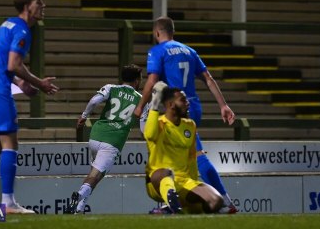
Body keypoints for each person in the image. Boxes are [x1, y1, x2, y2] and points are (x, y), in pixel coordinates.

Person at [134, 16, 237, 213]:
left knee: (195, 155)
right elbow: (208, 78)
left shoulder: (158, 51)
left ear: (157, 33)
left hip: (176, 108)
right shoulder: (189, 50)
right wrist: (223, 105)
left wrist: (140, 106)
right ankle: (171, 201)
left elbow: (152, 80)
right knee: (173, 153)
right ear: (173, 32)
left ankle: (225, 200)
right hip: (192, 105)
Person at [0, 0, 59, 214]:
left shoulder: (6, 24)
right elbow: (13, 64)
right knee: (11, 143)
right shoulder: (22, 29)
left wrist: (21, 85)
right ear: (26, 7)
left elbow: (3, 62)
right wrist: (39, 83)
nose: (43, 5)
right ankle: (9, 202)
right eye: (38, 2)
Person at [64, 64, 143, 214]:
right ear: (137, 81)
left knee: (94, 174)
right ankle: (78, 195)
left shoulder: (111, 87)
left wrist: (84, 116)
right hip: (113, 140)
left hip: (96, 135)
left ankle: (78, 210)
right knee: (95, 176)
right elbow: (145, 128)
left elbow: (94, 101)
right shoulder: (140, 99)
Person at [145, 82, 223, 214]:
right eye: (183, 100)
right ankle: (173, 207)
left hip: (185, 182)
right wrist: (154, 103)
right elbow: (150, 135)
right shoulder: (159, 123)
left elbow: (191, 157)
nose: (187, 103)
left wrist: (195, 183)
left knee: (216, 201)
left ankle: (170, 209)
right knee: (166, 172)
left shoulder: (190, 125)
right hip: (157, 182)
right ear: (170, 105)